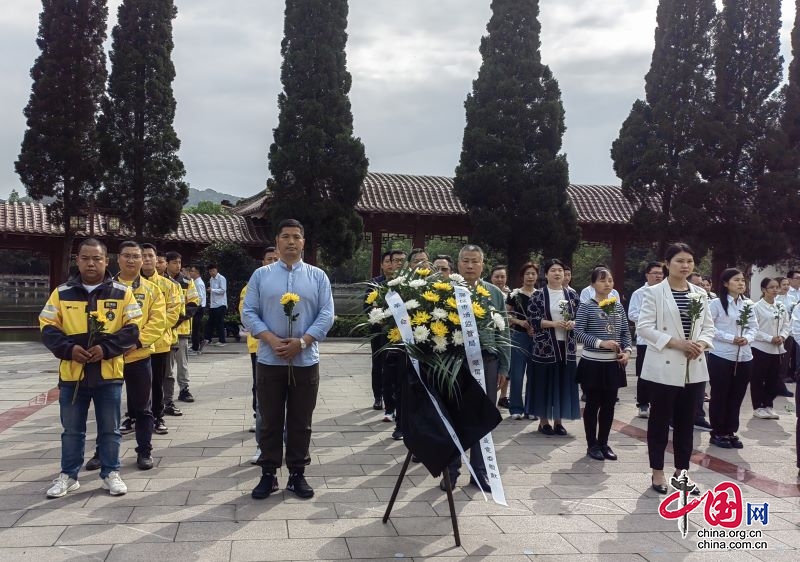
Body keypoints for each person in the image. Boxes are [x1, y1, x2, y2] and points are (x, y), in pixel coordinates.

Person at [39, 238, 142, 498]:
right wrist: (69, 350)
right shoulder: (62, 293)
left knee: (110, 428)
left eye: (97, 258)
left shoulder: (121, 292)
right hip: (73, 374)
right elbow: (48, 328)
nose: (91, 263)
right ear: (77, 260)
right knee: (72, 429)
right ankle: (68, 475)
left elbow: (132, 329)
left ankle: (110, 473)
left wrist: (106, 349)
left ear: (106, 261)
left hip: (108, 374)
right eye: (85, 258)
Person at [243, 219, 334, 500]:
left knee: (300, 420)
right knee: (269, 419)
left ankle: (297, 474)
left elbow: (327, 314)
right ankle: (268, 474)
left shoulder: (318, 277)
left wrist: (303, 342)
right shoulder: (261, 276)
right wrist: (269, 338)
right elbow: (249, 312)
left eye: (297, 237)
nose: (291, 242)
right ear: (277, 240)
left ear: (304, 242)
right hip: (270, 359)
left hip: (305, 361)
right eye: (286, 237)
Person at [637, 243, 714, 495]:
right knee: (659, 421)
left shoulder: (700, 294)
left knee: (686, 422)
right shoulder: (654, 293)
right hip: (665, 365)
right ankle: (657, 471)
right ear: (667, 263)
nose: (685, 266)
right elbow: (645, 327)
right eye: (680, 261)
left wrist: (700, 344)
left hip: (693, 366)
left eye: (689, 261)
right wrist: (677, 343)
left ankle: (682, 472)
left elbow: (708, 327)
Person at [440, 244, 510, 492]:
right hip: (453, 363)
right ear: (458, 264)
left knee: (483, 418)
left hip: (487, 363)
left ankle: (480, 472)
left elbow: (504, 332)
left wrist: (505, 366)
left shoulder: (494, 293)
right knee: (453, 415)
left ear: (483, 265)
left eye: (475, 262)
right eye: (466, 261)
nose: (470, 266)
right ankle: (450, 470)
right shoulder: (446, 290)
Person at [574, 267, 631, 461]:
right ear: (592, 284)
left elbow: (625, 333)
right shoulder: (586, 306)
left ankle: (604, 443)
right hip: (593, 364)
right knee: (592, 405)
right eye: (602, 280)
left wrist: (627, 352)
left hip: (613, 365)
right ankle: (592, 445)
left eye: (610, 280)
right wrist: (601, 343)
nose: (607, 283)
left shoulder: (617, 306)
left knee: (609, 405)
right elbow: (578, 332)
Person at [526, 259, 581, 436]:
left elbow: (579, 317)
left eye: (560, 270)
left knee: (562, 382)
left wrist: (572, 323)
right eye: (553, 270)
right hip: (545, 347)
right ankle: (543, 421)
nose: (558, 273)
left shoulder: (571, 295)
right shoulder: (538, 295)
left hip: (566, 346)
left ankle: (558, 421)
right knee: (544, 383)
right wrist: (553, 323)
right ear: (546, 274)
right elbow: (533, 320)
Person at [708, 268, 758, 450]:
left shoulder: (748, 304)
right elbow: (709, 328)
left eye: (742, 280)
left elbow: (754, 326)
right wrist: (731, 338)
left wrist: (748, 338)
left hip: (744, 356)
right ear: (725, 283)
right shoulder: (715, 304)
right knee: (720, 394)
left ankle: (730, 431)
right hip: (721, 355)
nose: (741, 283)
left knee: (737, 395)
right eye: (736, 280)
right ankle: (717, 432)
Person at [242, 246, 280, 462]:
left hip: (289, 348)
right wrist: (270, 336)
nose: (273, 261)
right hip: (261, 347)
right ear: (262, 262)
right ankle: (263, 444)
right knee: (263, 394)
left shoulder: (289, 283)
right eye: (269, 259)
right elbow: (246, 314)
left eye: (276, 258)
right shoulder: (253, 284)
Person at [627, 261, 663, 418]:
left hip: (663, 340)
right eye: (655, 273)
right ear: (647, 275)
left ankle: (658, 403)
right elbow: (632, 314)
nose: (658, 276)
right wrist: (650, 319)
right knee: (643, 373)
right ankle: (642, 403)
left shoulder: (666, 291)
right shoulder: (639, 293)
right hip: (645, 340)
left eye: (661, 273)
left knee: (661, 373)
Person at [751, 277, 790, 420]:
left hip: (777, 348)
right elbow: (753, 329)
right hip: (760, 348)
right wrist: (769, 338)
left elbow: (787, 324)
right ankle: (758, 407)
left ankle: (768, 405)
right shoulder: (756, 307)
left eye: (776, 287)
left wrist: (782, 336)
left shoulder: (780, 306)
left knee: (773, 378)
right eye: (771, 287)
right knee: (758, 378)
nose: (775, 290)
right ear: (763, 290)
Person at [165, 251, 199, 405]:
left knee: (183, 362)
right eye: (174, 262)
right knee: (166, 365)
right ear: (166, 263)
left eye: (179, 262)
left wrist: (177, 320)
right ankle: (165, 393)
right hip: (165, 330)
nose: (178, 265)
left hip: (181, 329)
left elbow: (193, 303)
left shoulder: (187, 281)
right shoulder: (160, 281)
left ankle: (184, 388)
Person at [506, 262, 538, 420]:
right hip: (518, 338)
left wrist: (536, 328)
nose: (530, 276)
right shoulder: (514, 295)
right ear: (522, 276)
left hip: (537, 339)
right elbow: (505, 315)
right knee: (517, 374)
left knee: (534, 374)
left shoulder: (540, 295)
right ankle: (516, 408)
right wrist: (519, 322)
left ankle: (531, 408)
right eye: (527, 274)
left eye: (533, 273)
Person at [205, 263, 228, 346]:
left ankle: (222, 341)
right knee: (210, 322)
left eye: (213, 270)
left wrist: (212, 290)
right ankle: (208, 339)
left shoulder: (221, 278)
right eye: (210, 271)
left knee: (219, 323)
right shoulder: (211, 279)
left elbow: (223, 290)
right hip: (213, 305)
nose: (212, 272)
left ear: (216, 270)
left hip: (221, 304)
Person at [188, 265, 206, 354]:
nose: (190, 272)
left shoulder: (198, 283)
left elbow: (200, 297)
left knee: (195, 328)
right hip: (198, 307)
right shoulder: (195, 282)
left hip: (198, 308)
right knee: (196, 327)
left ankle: (196, 347)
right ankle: (198, 343)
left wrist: (195, 306)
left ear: (197, 273)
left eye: (192, 271)